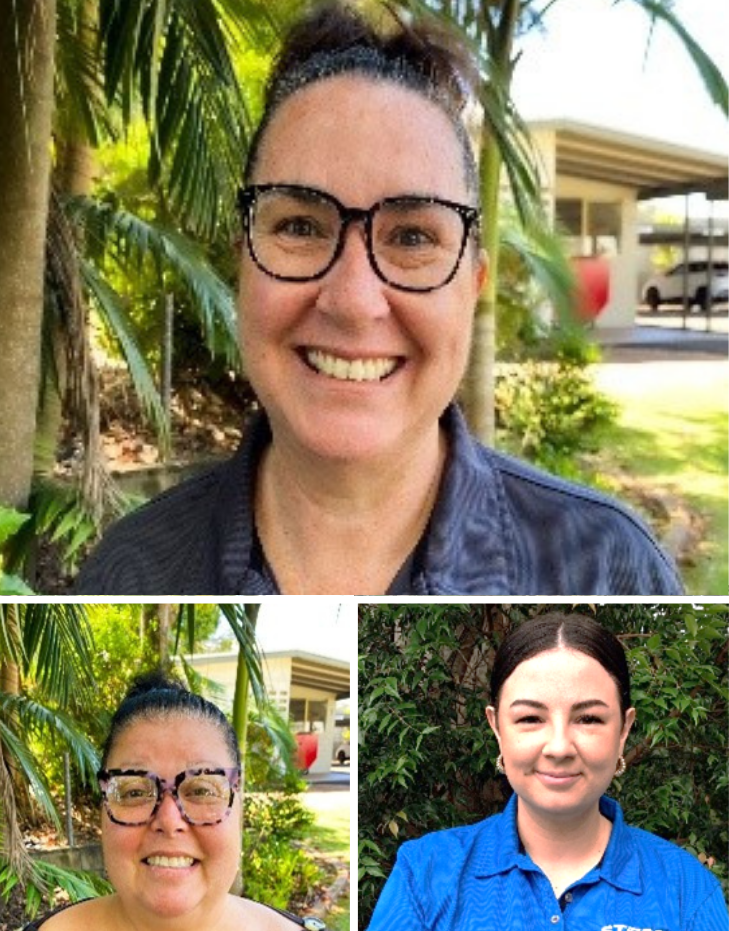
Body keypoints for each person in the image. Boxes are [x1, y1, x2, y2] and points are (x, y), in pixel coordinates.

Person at [75, 3, 680, 595]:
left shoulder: (608, 568)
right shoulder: (131, 568)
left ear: (474, 284)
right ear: (242, 263)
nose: (354, 300)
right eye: (301, 227)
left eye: (413, 236)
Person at [360, 612, 729, 931]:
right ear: (497, 727)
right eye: (531, 718)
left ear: (625, 730)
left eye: (589, 718)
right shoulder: (424, 874)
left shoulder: (687, 891)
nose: (558, 745)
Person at [0, 675, 351, 931]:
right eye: (134, 791)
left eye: (201, 790)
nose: (168, 820)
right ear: (102, 810)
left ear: (240, 807)